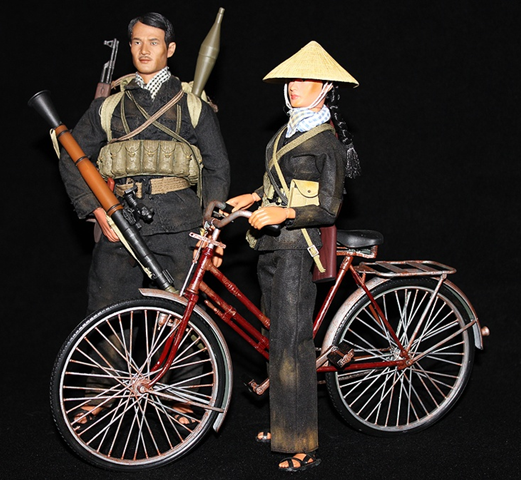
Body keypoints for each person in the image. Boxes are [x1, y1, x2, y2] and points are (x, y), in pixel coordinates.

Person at [226, 41, 360, 472]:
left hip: (297, 249)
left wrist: (285, 213)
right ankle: (284, 422)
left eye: (304, 79)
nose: (294, 86)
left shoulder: (327, 143)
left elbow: (328, 207)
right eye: (291, 79)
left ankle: (302, 441)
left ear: (325, 88)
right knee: (275, 339)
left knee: (293, 345)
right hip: (270, 245)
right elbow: (276, 184)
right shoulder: (286, 132)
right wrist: (253, 197)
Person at [59, 12, 230, 314]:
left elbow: (217, 167)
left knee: (182, 321)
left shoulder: (193, 106)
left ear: (170, 49)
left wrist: (209, 230)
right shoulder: (108, 106)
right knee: (107, 316)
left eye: (153, 42)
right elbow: (71, 156)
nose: (144, 50)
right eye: (137, 42)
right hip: (120, 221)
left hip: (180, 224)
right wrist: (96, 209)